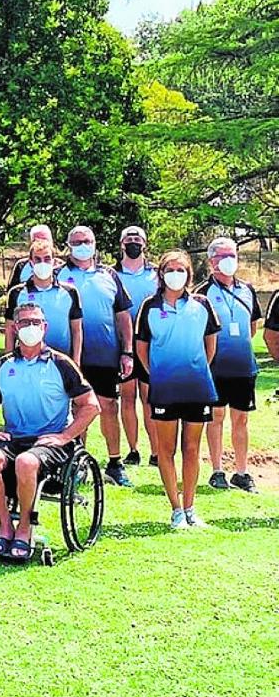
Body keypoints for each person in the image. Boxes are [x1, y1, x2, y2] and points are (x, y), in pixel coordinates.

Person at [0, 303, 100, 560]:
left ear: (44, 327)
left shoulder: (61, 364)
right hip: (14, 437)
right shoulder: (3, 365)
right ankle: (5, 526)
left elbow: (91, 406)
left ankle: (24, 528)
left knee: (26, 462)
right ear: (14, 328)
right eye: (24, 322)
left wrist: (66, 436)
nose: (30, 327)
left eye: (36, 322)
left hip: (50, 441)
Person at [135, 251, 220, 529]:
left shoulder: (202, 304)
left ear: (189, 274)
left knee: (192, 449)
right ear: (161, 274)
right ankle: (176, 510)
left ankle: (191, 508)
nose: (175, 274)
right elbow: (141, 348)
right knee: (166, 449)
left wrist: (196, 369)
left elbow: (210, 345)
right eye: (170, 269)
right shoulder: (149, 306)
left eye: (180, 269)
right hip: (164, 389)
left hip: (197, 387)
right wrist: (158, 375)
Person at [57, 226, 134, 487]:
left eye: (87, 241)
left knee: (108, 406)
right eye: (77, 241)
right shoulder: (59, 275)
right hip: (70, 357)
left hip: (105, 354)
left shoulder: (109, 275)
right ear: (68, 245)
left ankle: (115, 463)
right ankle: (77, 462)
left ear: (95, 243)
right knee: (77, 409)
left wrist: (127, 351)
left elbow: (123, 316)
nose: (83, 245)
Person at [196, 237, 262, 493]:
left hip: (243, 367)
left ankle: (242, 473)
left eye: (232, 255)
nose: (228, 260)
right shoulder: (202, 293)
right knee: (216, 417)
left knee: (241, 419)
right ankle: (217, 470)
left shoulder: (247, 289)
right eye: (223, 256)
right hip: (215, 367)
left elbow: (252, 327)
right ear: (211, 261)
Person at [116, 226, 159, 468]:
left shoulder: (156, 274)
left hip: (151, 343)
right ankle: (133, 450)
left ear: (145, 243)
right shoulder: (112, 274)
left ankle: (156, 451)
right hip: (122, 344)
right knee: (127, 397)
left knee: (149, 398)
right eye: (128, 239)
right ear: (122, 244)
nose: (133, 242)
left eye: (137, 239)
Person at [4, 240, 82, 359]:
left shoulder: (70, 292)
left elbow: (76, 330)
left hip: (62, 360)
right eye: (38, 259)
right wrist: (8, 359)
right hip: (27, 359)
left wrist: (76, 362)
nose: (42, 263)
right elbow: (10, 330)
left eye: (47, 259)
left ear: (54, 262)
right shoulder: (17, 293)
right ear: (31, 262)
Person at [6, 224, 62, 288]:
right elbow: (12, 289)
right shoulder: (21, 266)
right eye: (36, 240)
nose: (40, 244)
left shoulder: (61, 267)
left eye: (44, 240)